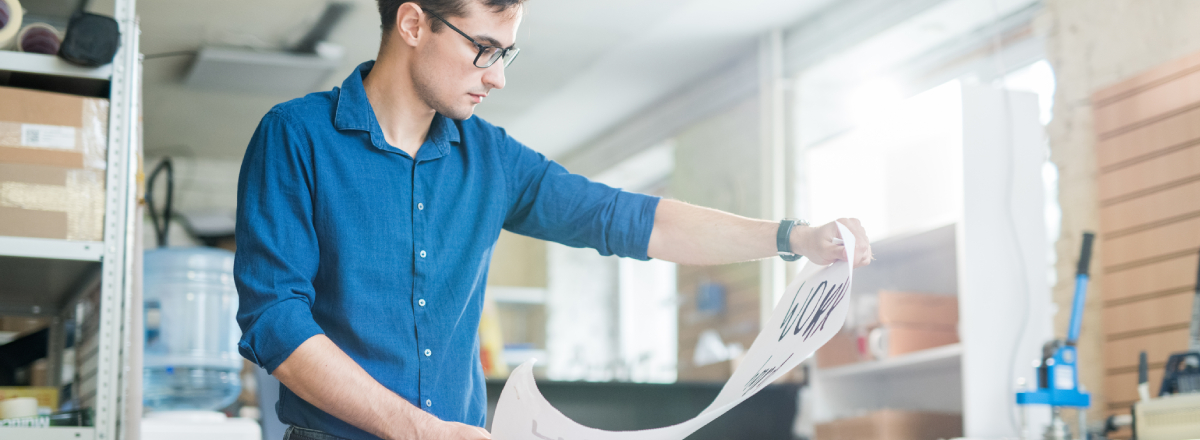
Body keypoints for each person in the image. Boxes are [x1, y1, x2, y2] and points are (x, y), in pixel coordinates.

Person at [234, 1, 873, 439]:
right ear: (411, 23)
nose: (498, 78)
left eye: (507, 54)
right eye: (485, 49)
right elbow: (275, 321)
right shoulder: (297, 137)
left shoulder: (492, 160)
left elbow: (628, 219)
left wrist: (793, 238)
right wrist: (419, 431)